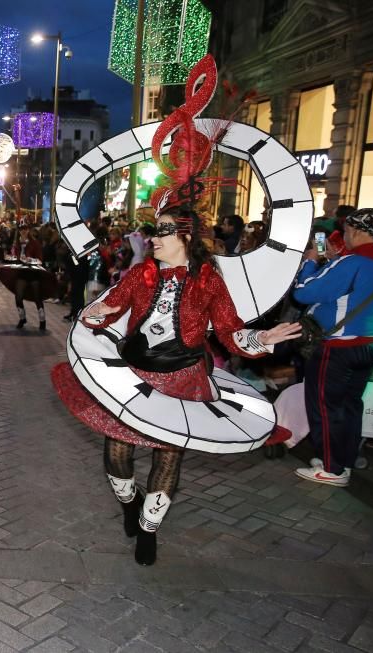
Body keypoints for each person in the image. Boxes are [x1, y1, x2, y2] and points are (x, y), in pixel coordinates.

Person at [55, 210, 301, 565]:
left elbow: (230, 333)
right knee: (117, 453)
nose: (153, 239)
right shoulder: (141, 273)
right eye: (155, 232)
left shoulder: (209, 281)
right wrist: (98, 312)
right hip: (136, 375)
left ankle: (148, 528)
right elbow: (110, 307)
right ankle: (129, 505)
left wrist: (262, 337)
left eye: (163, 233)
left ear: (186, 238)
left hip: (185, 379)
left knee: (169, 455)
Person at [292, 208, 373, 487]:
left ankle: (332, 469)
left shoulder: (353, 262)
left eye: (346, 231)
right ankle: (342, 461)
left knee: (325, 406)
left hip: (338, 348)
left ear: (356, 231)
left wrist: (311, 262)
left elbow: (304, 292)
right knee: (349, 407)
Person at [11, 226, 45, 330]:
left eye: (25, 229)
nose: (23, 232)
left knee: (37, 298)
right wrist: (12, 257)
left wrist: (29, 259)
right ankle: (22, 318)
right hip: (22, 272)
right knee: (18, 297)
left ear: (29, 230)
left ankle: (42, 321)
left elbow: (40, 260)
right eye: (21, 230)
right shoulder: (17, 243)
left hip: (34, 273)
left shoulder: (35, 243)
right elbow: (14, 256)